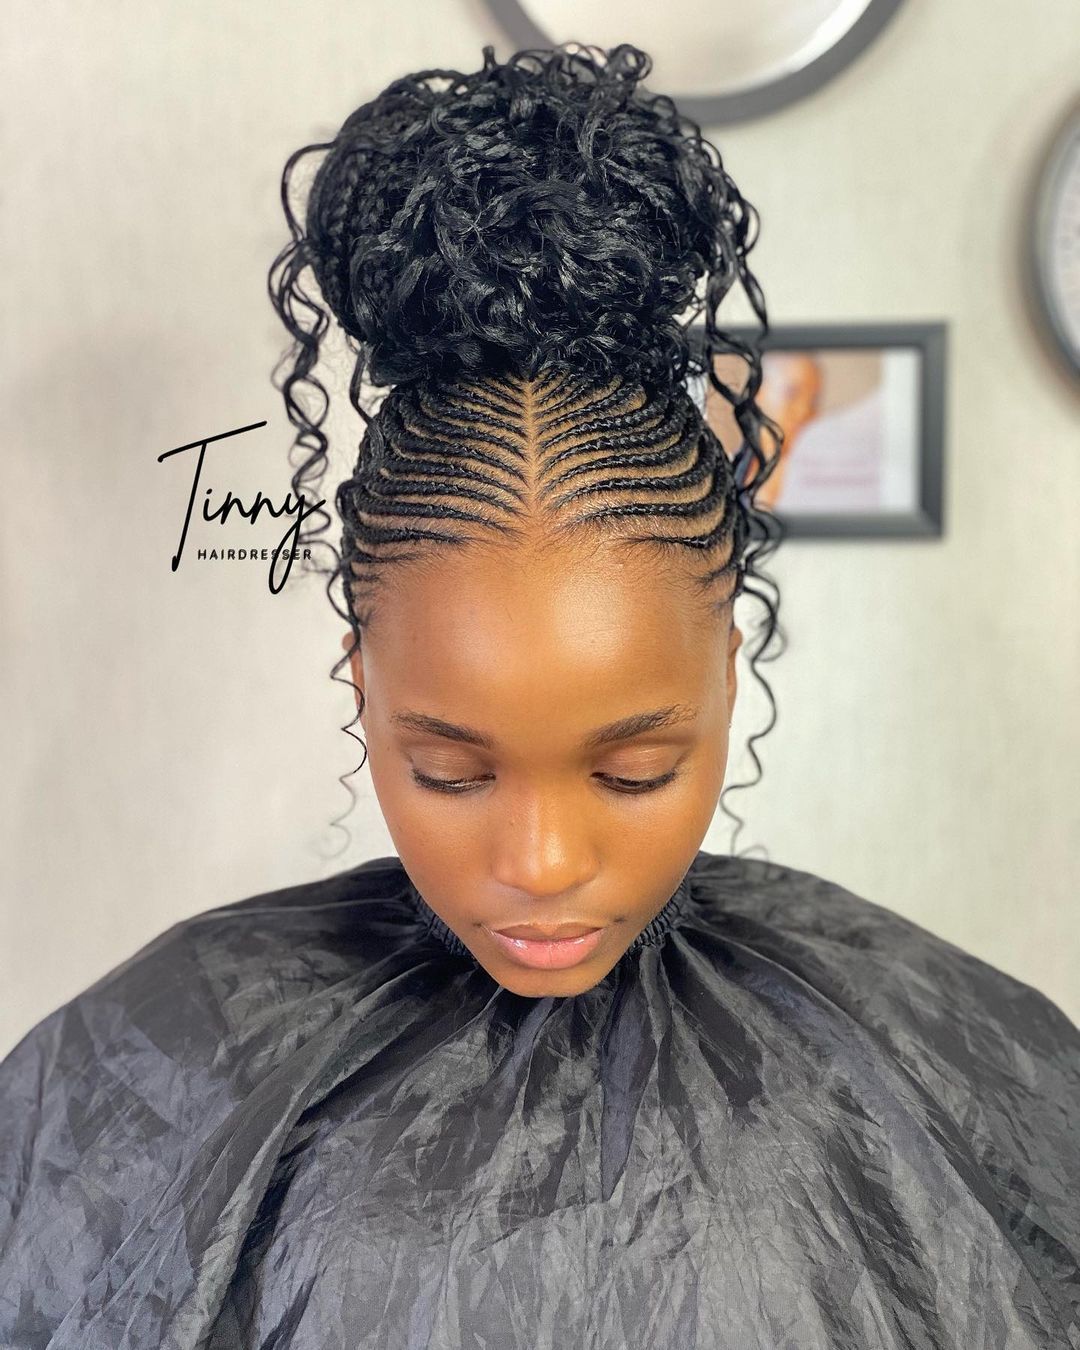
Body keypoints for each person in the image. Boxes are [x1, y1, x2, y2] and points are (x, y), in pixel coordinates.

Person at [1, 41, 1077, 1350]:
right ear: (361, 684)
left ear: (727, 674)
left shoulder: (937, 1049)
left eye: (632, 770)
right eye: (451, 771)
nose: (542, 861)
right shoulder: (159, 1052)